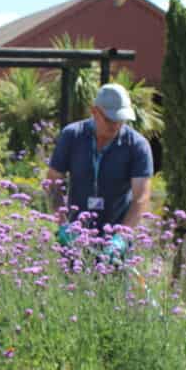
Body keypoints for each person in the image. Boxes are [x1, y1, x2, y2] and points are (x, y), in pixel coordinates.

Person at [46, 83, 153, 255]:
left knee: (115, 281)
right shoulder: (72, 136)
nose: (115, 125)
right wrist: (63, 224)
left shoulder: (137, 146)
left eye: (120, 120)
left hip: (116, 241)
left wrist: (122, 238)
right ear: (94, 112)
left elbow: (141, 196)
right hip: (75, 238)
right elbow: (52, 183)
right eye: (110, 119)